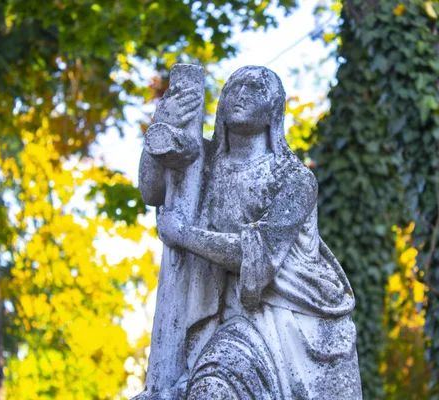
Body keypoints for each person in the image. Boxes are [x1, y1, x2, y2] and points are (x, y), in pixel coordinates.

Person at [142, 66, 361, 399]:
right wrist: (161, 127)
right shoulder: (201, 163)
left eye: (254, 88)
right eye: (232, 88)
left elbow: (256, 256)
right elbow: (151, 192)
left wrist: (184, 235)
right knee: (212, 388)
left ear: (274, 109)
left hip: (290, 317)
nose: (240, 94)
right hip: (231, 317)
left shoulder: (293, 178)